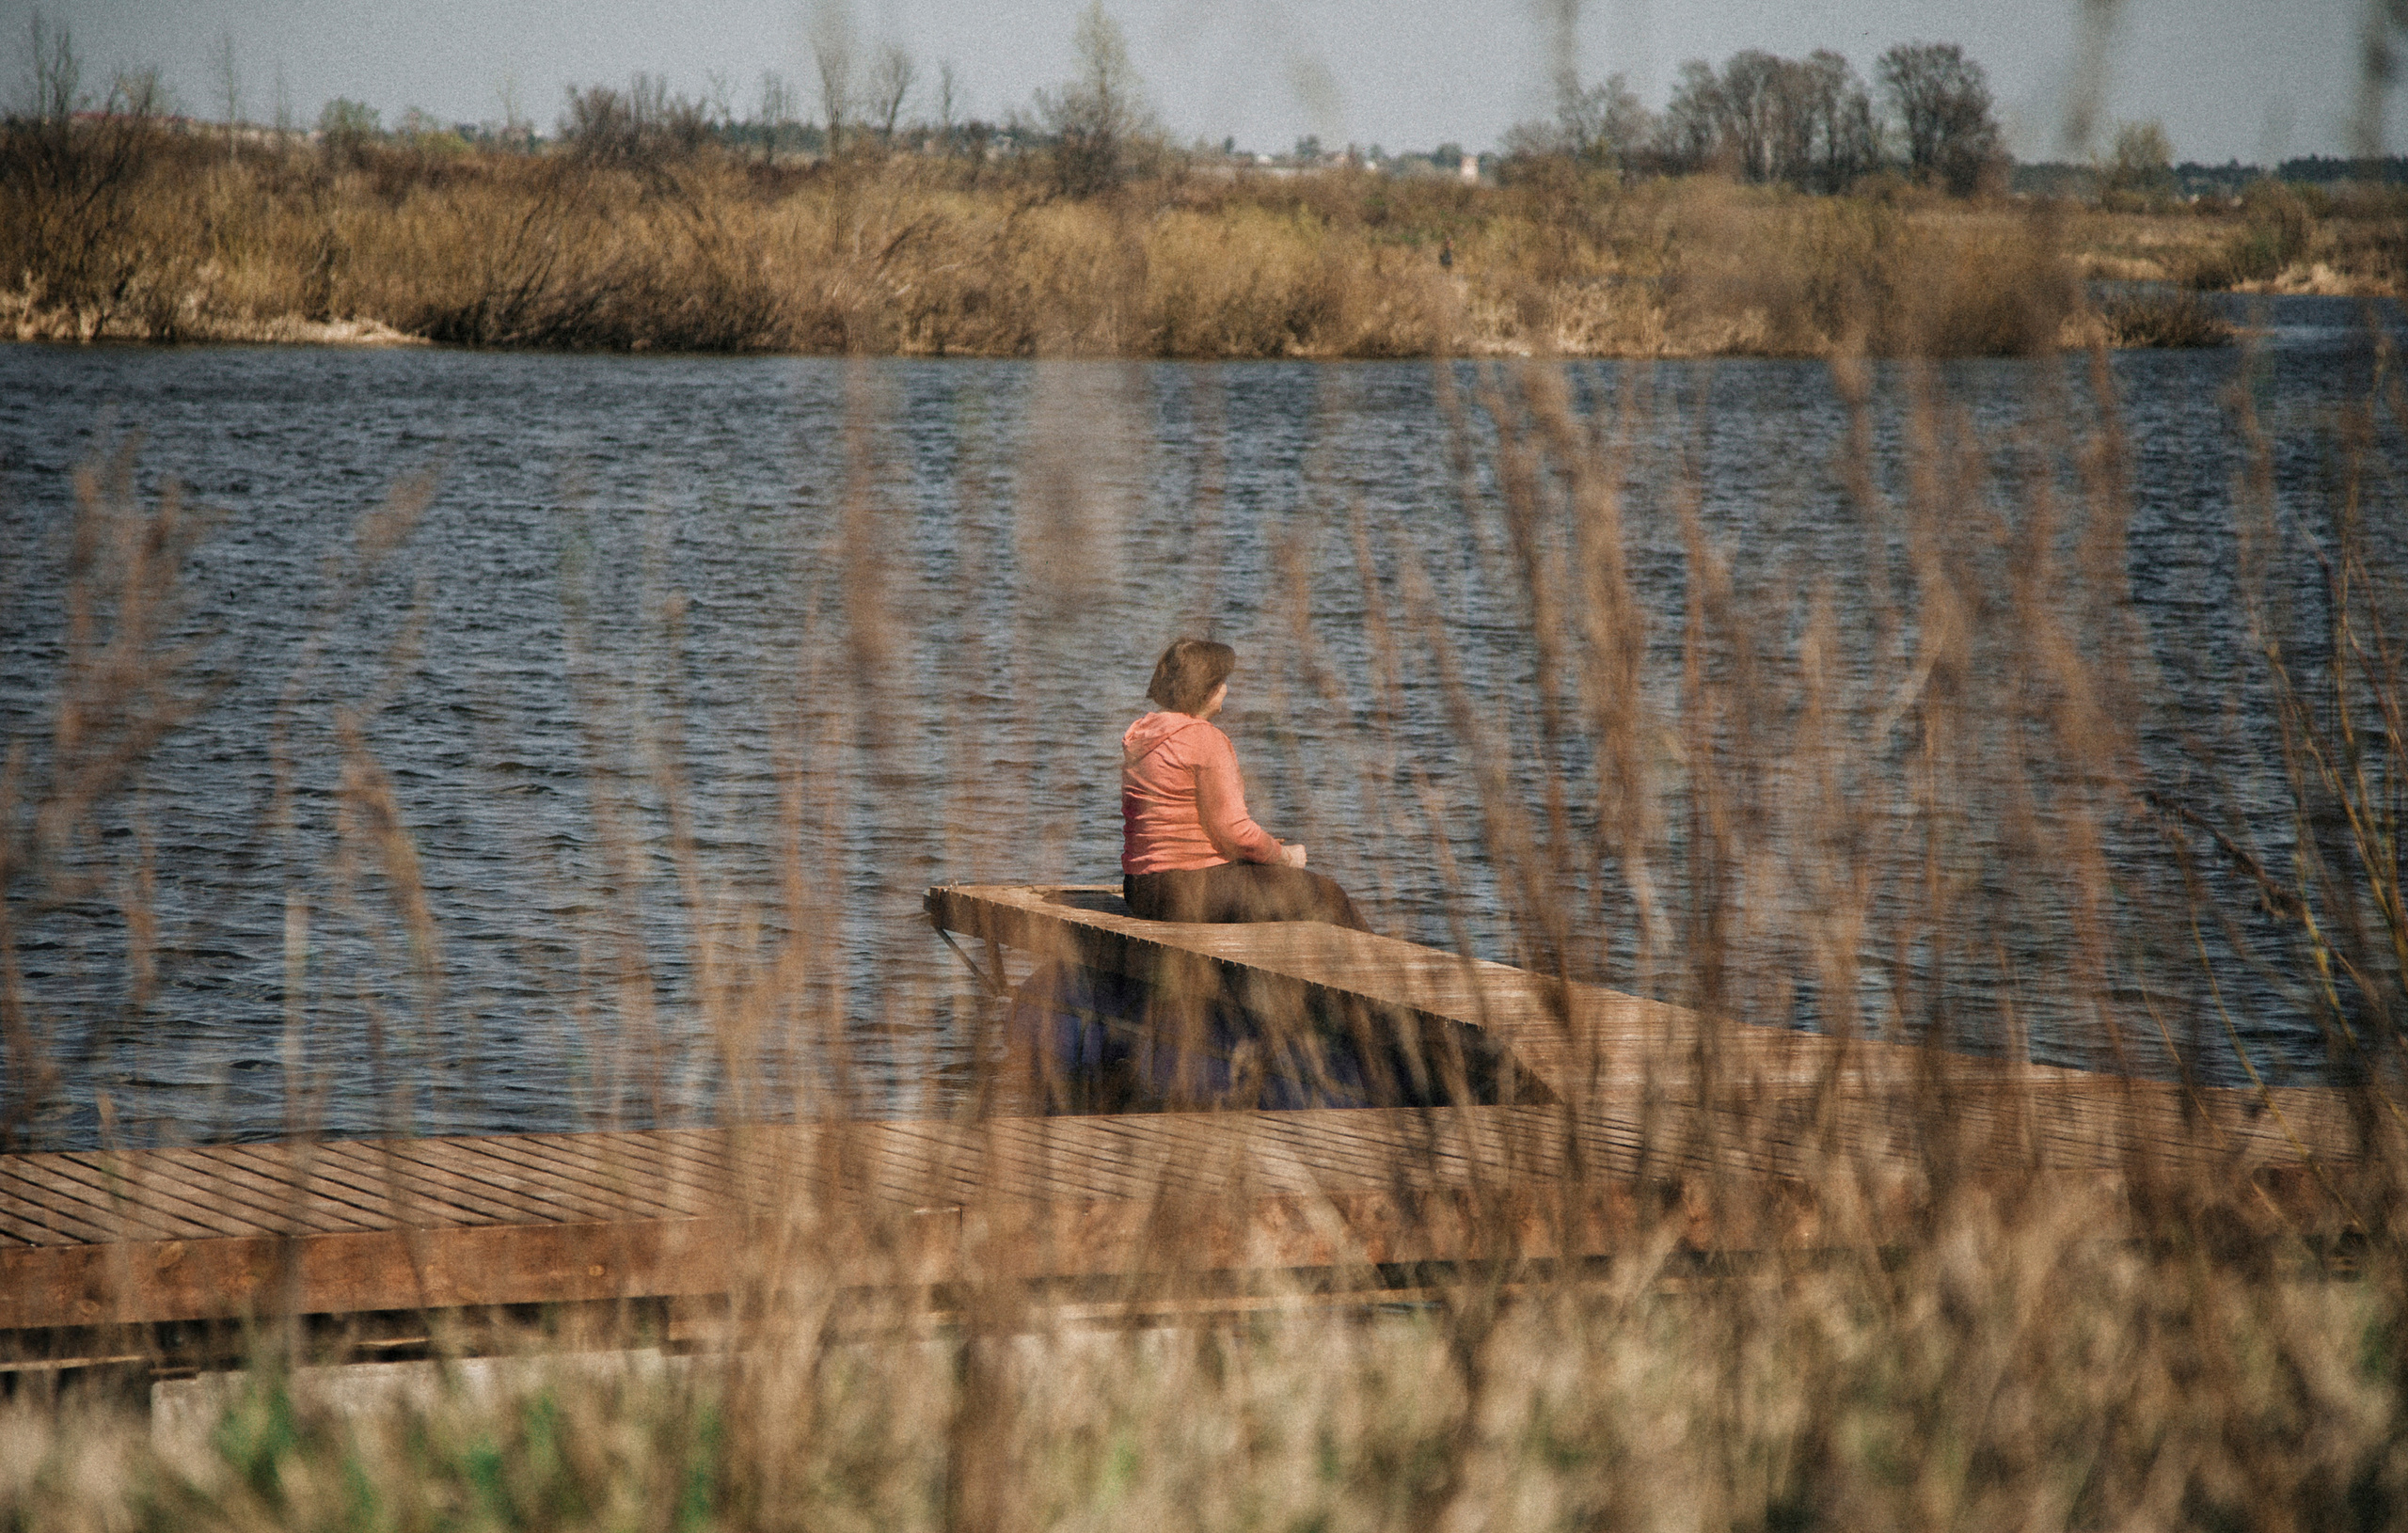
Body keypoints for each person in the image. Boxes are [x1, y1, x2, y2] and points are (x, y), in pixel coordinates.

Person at [1120, 639, 1370, 929]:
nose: (1227, 690)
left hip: (1140, 890)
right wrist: (1284, 856)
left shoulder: (1143, 734)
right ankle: (1381, 972)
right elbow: (1234, 831)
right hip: (1189, 890)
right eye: (1222, 682)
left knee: (1265, 880)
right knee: (1328, 897)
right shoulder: (1205, 739)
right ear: (1206, 688)